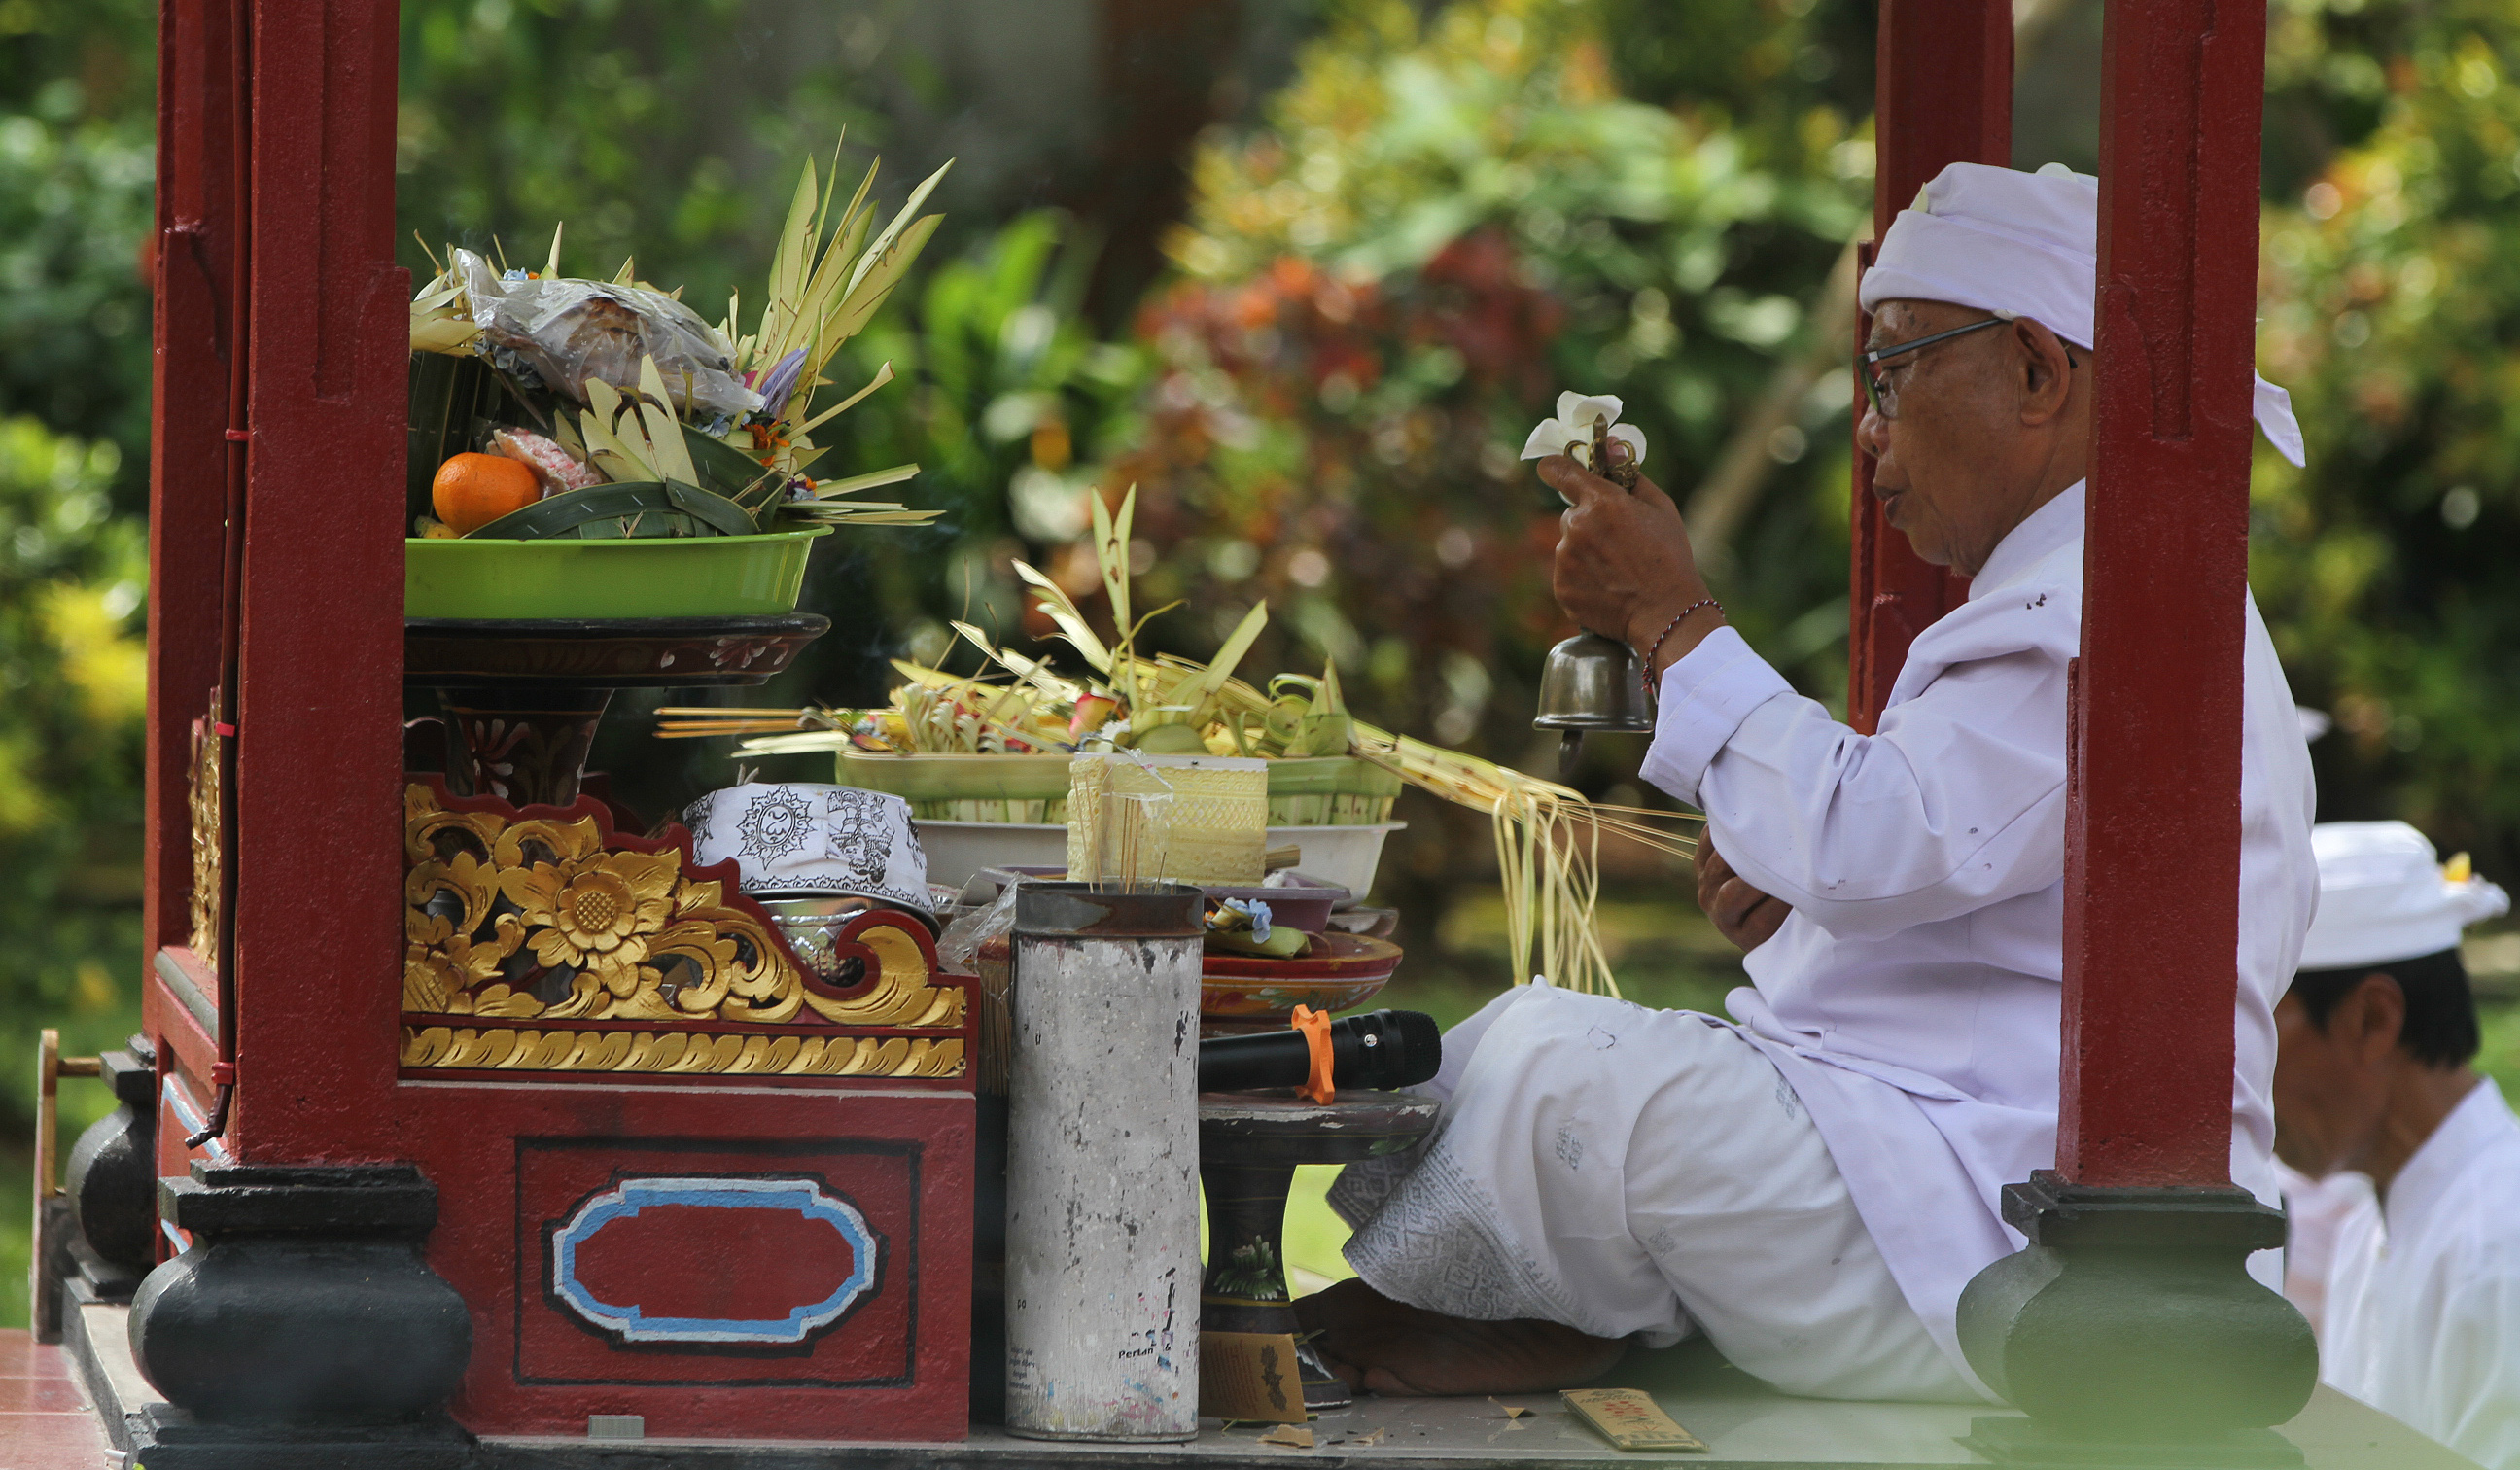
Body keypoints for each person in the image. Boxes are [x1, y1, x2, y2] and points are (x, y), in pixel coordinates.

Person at [1298, 161, 2317, 1402]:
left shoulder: (2109, 604)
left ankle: (1561, 1311)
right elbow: (1949, 871)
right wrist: (1806, 910)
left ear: (2039, 373)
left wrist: (1672, 619)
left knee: (1562, 1072)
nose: (1872, 431)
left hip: (1999, 1234)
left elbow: (1874, 842)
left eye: (1893, 373)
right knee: (1526, 1048)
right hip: (1925, 1172)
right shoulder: (2089, 589)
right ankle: (1551, 1306)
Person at [2272, 820, 2516, 1467]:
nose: (2235, 1080)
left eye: (2260, 1030)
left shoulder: (2503, 1248)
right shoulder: (2367, 1227)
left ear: (2374, 1019)